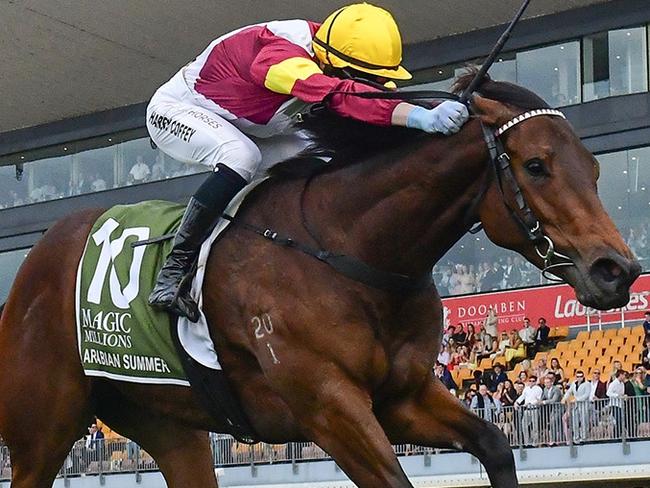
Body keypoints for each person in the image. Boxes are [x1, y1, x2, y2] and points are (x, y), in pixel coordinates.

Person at [145, 3, 470, 321]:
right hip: (179, 111)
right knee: (241, 156)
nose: (370, 83)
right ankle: (173, 271)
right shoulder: (281, 57)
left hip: (253, 123)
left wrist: (429, 113)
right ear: (335, 64)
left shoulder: (336, 50)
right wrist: (417, 116)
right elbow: (341, 96)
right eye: (362, 76)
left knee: (326, 159)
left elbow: (369, 95)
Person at [562, 370, 591, 443]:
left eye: (581, 376)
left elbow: (586, 395)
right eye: (577, 376)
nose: (579, 378)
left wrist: (576, 399)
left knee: (584, 421)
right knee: (575, 421)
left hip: (583, 405)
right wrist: (564, 398)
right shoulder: (574, 383)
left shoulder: (587, 384)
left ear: (583, 376)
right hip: (575, 406)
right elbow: (569, 392)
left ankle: (584, 438)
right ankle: (576, 438)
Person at [514, 375, 543, 446]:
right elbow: (522, 397)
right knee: (524, 425)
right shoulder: (526, 389)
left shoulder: (539, 389)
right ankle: (527, 442)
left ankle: (535, 442)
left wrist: (529, 403)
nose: (531, 382)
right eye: (530, 381)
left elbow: (538, 400)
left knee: (535, 426)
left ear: (535, 382)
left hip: (535, 409)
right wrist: (516, 402)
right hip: (527, 409)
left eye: (533, 381)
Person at [541, 374, 563, 444]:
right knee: (553, 423)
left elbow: (554, 400)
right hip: (552, 410)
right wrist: (538, 401)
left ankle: (556, 440)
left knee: (554, 422)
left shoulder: (556, 389)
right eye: (545, 383)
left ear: (552, 383)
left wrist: (543, 402)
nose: (546, 384)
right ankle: (555, 439)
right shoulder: (545, 389)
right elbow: (542, 398)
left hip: (559, 408)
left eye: (547, 383)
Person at [607, 369, 627, 438]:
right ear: (620, 375)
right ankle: (616, 436)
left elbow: (622, 393)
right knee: (619, 420)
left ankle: (617, 435)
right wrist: (617, 395)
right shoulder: (613, 383)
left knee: (621, 420)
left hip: (620, 405)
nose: (625, 376)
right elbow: (608, 393)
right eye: (624, 375)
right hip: (614, 404)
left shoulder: (622, 384)